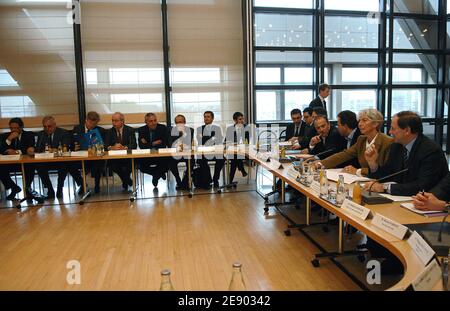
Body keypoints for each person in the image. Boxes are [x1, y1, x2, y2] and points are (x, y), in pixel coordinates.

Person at [364, 111, 448, 196]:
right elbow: (388, 173)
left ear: (407, 130)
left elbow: (423, 185)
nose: (390, 132)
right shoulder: (396, 146)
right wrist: (373, 165)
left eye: (393, 128)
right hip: (402, 199)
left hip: (426, 202)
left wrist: (385, 188)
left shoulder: (430, 151)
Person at [318, 109, 393, 176]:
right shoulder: (361, 140)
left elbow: (386, 170)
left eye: (364, 120)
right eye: (359, 120)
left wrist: (358, 171)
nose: (360, 124)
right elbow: (344, 154)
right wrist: (320, 164)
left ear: (375, 124)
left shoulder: (387, 142)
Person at [35, 116, 75, 199]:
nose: (47, 129)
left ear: (55, 125)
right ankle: (50, 189)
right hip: (46, 161)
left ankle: (60, 188)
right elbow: (38, 149)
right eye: (45, 126)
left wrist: (55, 150)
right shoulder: (41, 134)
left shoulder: (63, 133)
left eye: (49, 126)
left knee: (64, 165)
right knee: (39, 167)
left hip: (59, 160)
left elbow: (66, 147)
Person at [0, 118, 37, 200]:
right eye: (11, 128)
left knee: (31, 166)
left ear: (21, 127)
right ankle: (14, 187)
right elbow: (2, 150)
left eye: (15, 128)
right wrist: (9, 139)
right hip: (11, 163)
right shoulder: (5, 136)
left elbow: (30, 148)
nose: (13, 130)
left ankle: (28, 189)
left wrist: (16, 152)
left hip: (25, 162)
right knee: (1, 168)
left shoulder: (29, 135)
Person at [71, 111, 106, 193]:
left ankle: (97, 186)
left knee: (98, 163)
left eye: (94, 124)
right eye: (90, 123)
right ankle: (82, 184)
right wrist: (74, 147)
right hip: (80, 156)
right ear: (86, 120)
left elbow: (104, 145)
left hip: (94, 157)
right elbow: (71, 142)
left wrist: (100, 147)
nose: (92, 126)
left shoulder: (101, 130)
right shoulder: (77, 129)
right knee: (70, 166)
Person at [105, 112, 137, 191]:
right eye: (112, 121)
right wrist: (112, 147)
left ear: (122, 121)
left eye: (116, 121)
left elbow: (134, 145)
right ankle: (127, 180)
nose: (114, 123)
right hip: (115, 159)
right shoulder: (109, 132)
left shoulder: (130, 130)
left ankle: (125, 181)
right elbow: (105, 146)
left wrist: (124, 147)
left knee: (129, 166)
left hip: (127, 158)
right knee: (113, 166)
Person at [138, 113, 169, 188]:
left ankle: (156, 175)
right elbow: (142, 146)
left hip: (160, 155)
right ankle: (157, 173)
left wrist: (148, 144)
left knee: (168, 162)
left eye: (155, 120)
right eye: (151, 121)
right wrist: (154, 143)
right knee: (140, 165)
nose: (154, 123)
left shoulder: (162, 128)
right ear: (146, 122)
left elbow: (163, 144)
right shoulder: (141, 130)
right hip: (147, 156)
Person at [196, 111, 224, 188]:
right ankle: (207, 180)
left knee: (221, 159)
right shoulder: (199, 129)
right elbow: (200, 141)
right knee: (201, 160)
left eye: (208, 117)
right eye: (205, 117)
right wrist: (212, 139)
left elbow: (219, 140)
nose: (206, 118)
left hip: (215, 152)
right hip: (204, 152)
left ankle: (215, 179)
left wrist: (207, 139)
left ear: (212, 118)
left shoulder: (217, 128)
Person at [169, 114, 194, 190]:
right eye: (177, 122)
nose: (179, 124)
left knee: (192, 161)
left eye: (181, 122)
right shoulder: (171, 131)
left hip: (186, 154)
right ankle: (178, 180)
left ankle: (185, 180)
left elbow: (188, 143)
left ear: (185, 122)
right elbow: (170, 144)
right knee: (170, 162)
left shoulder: (190, 130)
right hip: (175, 154)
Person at [225, 112, 250, 183]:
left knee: (234, 159)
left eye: (243, 119)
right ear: (235, 120)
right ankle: (242, 169)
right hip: (233, 151)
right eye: (240, 119)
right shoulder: (230, 129)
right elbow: (226, 141)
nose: (242, 121)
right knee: (235, 157)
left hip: (244, 152)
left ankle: (230, 181)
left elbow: (248, 141)